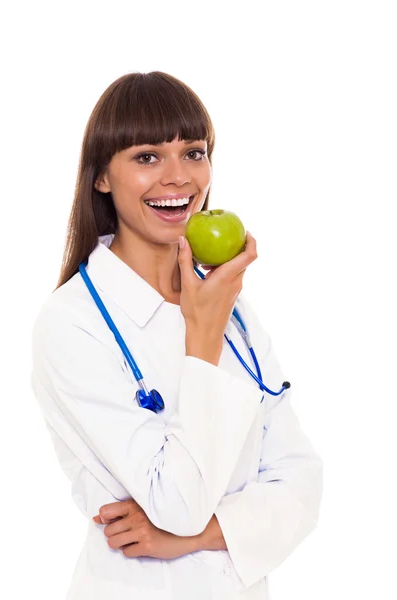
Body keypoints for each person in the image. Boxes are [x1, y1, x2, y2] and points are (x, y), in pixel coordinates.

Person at [30, 71, 323, 600]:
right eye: (147, 157)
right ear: (101, 177)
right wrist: (203, 341)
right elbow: (178, 501)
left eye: (193, 152)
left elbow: (301, 484)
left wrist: (194, 538)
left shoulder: (235, 310)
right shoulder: (71, 323)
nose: (179, 177)